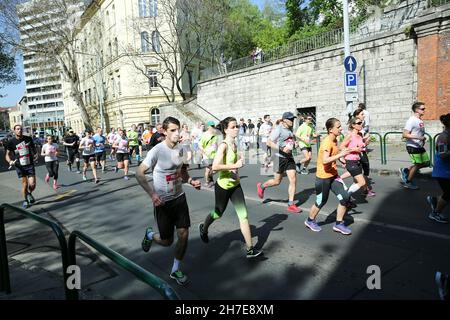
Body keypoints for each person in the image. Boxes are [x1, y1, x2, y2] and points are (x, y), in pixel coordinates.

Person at [137, 116, 201, 286]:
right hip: (162, 202)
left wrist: (192, 181)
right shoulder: (157, 151)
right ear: (164, 132)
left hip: (179, 198)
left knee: (184, 234)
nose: (176, 133)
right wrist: (152, 195)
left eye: (178, 129)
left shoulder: (182, 149)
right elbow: (139, 173)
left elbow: (183, 173)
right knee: (167, 241)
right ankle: (150, 235)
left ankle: (175, 269)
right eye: (172, 130)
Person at [198, 117, 263, 258]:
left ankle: (250, 249)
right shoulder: (223, 145)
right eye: (233, 127)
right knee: (218, 213)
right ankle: (204, 228)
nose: (236, 129)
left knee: (244, 216)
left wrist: (236, 170)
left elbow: (233, 165)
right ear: (226, 130)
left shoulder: (234, 144)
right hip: (223, 187)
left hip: (235, 185)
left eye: (237, 126)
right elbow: (215, 167)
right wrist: (236, 165)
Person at [304, 118, 359, 235]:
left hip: (333, 176)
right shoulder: (327, 142)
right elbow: (325, 160)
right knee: (321, 201)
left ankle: (339, 224)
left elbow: (334, 153)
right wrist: (341, 154)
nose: (341, 129)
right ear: (330, 129)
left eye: (340, 126)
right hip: (323, 178)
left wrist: (341, 159)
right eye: (338, 127)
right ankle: (310, 220)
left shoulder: (334, 140)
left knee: (345, 198)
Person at [256, 112, 302, 213]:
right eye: (290, 119)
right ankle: (262, 186)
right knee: (277, 181)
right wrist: (281, 148)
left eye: (293, 119)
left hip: (289, 158)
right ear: (284, 120)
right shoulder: (278, 129)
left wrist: (295, 145)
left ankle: (291, 204)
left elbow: (290, 142)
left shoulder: (290, 129)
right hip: (279, 158)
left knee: (293, 179)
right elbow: (269, 142)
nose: (292, 121)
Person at [5, 124, 38, 208]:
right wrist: (10, 161)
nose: (19, 130)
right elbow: (7, 155)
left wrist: (35, 155)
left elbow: (34, 150)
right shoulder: (11, 141)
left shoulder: (28, 139)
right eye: (17, 129)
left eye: (20, 129)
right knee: (25, 184)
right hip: (19, 165)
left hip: (29, 164)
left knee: (32, 184)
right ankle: (26, 200)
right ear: (14, 131)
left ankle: (29, 194)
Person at [400, 102, 430, 189]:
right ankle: (408, 182)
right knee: (417, 164)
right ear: (417, 110)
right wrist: (419, 138)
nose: (424, 110)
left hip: (419, 146)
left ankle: (406, 170)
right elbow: (405, 134)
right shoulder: (411, 120)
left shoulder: (420, 120)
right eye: (422, 109)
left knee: (427, 163)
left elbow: (420, 132)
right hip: (412, 146)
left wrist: (422, 140)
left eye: (424, 109)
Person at [426, 113, 450, 223]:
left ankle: (434, 200)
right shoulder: (443, 137)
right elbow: (442, 154)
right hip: (443, 171)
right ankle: (435, 213)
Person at [340, 117, 368, 197]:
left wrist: (365, 143)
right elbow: (341, 147)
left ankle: (347, 197)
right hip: (350, 161)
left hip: (357, 160)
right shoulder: (350, 135)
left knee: (356, 181)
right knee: (362, 182)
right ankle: (346, 196)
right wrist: (354, 149)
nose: (361, 124)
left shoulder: (359, 135)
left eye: (361, 122)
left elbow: (360, 147)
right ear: (353, 125)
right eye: (358, 123)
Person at [200, 121, 219, 188]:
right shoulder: (204, 135)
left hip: (214, 154)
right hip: (207, 155)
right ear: (208, 127)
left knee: (215, 169)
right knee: (208, 169)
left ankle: (210, 180)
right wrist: (203, 152)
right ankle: (207, 182)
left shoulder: (215, 135)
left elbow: (216, 144)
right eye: (211, 126)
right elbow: (200, 145)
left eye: (213, 126)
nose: (213, 127)